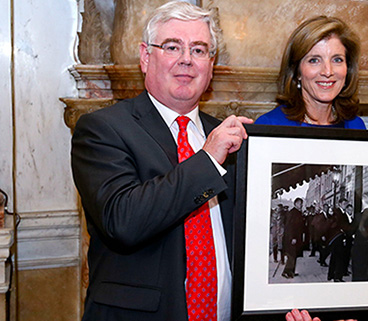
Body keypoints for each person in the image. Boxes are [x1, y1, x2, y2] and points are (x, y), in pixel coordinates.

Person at [70, 2, 253, 320]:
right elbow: (122, 221)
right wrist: (208, 160)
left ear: (211, 65)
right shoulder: (102, 129)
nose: (186, 59)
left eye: (199, 50)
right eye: (172, 46)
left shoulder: (229, 138)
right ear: (145, 56)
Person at [254, 15, 365, 128]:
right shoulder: (270, 125)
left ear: (348, 68)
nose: (327, 72)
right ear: (297, 71)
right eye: (314, 60)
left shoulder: (355, 125)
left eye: (337, 60)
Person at [282, 198, 305, 279]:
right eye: (299, 203)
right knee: (291, 255)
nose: (301, 205)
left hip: (296, 238)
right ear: (295, 204)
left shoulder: (298, 213)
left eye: (301, 203)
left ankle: (291, 272)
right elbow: (290, 227)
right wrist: (292, 237)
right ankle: (285, 272)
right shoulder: (292, 213)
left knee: (294, 255)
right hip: (292, 238)